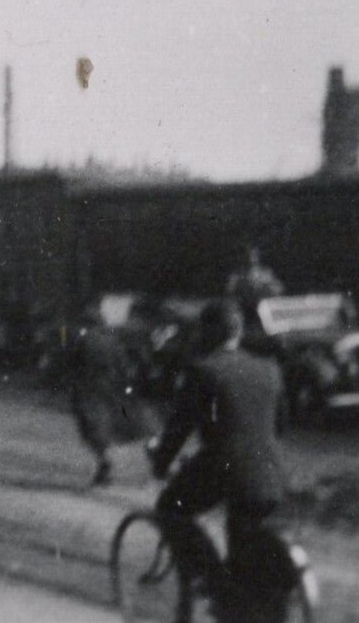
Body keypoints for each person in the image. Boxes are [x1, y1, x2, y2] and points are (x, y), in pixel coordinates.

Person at [149, 298, 292, 619]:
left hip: (225, 469)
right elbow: (281, 425)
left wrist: (160, 462)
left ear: (207, 333)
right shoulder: (269, 369)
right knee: (242, 536)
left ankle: (216, 584)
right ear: (238, 332)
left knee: (170, 508)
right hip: (271, 472)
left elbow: (179, 428)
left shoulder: (203, 370)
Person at [68, 298, 151, 486]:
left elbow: (73, 365)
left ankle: (104, 463)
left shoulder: (83, 341)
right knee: (121, 423)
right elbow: (123, 366)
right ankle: (150, 449)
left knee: (93, 428)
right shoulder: (112, 341)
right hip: (111, 388)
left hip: (88, 389)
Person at [227, 245, 285, 326]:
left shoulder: (266, 273)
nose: (251, 258)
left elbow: (279, 289)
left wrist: (267, 287)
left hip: (264, 309)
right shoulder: (237, 275)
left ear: (257, 257)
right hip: (245, 309)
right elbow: (230, 293)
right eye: (248, 256)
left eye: (253, 255)